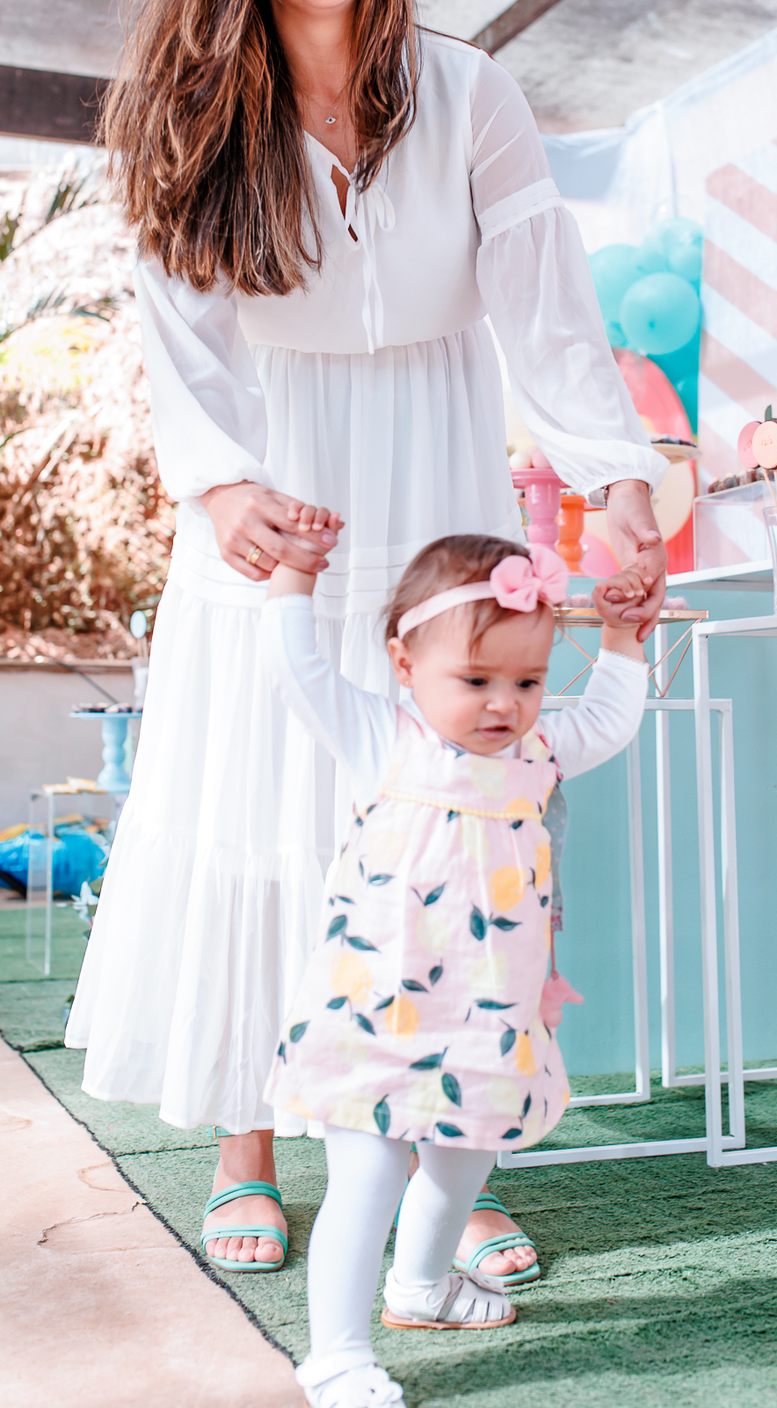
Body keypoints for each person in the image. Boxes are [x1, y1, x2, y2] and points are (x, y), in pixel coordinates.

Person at [64, 0, 668, 1281]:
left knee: (445, 809)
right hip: (278, 475)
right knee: (271, 792)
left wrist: (620, 479)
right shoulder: (191, 111)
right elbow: (179, 336)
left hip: (442, 464)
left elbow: (547, 313)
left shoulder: (469, 91)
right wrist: (220, 487)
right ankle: (251, 1143)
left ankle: (450, 1144)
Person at [261, 532, 648, 1408]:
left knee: (465, 1162)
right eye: (476, 681)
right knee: (369, 1175)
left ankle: (421, 1287)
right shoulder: (382, 737)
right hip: (375, 1014)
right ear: (405, 663)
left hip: (488, 1017)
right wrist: (294, 575)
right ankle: (336, 1357)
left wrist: (623, 640)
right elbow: (297, 670)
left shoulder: (537, 752)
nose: (505, 704)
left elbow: (609, 721)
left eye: (528, 682)